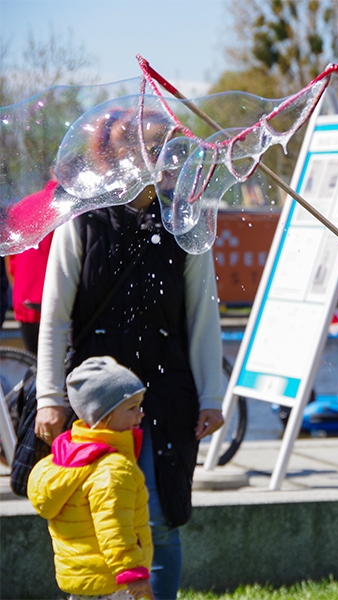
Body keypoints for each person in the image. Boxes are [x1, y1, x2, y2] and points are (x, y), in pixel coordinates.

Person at [34, 108, 224, 599]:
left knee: (159, 522)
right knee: (96, 520)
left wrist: (212, 397)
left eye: (161, 147)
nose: (152, 156)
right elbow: (54, 316)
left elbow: (203, 315)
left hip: (163, 396)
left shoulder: (185, 223)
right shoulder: (81, 222)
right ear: (110, 156)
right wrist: (50, 397)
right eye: (138, 146)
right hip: (97, 400)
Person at [29, 356, 154, 600]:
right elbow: (114, 528)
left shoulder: (67, 456)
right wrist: (133, 574)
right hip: (113, 581)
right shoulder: (113, 468)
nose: (141, 414)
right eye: (132, 407)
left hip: (83, 580)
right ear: (102, 417)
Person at [7, 178, 58, 354]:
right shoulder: (68, 208)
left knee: (35, 363)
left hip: (25, 298)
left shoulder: (22, 206)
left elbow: (10, 259)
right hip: (55, 301)